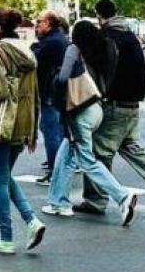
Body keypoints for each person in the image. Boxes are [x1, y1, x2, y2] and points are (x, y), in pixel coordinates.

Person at [77, 0, 145, 222]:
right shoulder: (130, 36)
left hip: (115, 104)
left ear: (99, 16)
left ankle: (96, 200)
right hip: (133, 104)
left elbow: (103, 71)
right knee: (134, 150)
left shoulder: (109, 39)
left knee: (98, 154)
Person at [43, 19, 139, 225]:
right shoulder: (105, 49)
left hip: (79, 112)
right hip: (96, 108)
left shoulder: (73, 50)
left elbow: (62, 79)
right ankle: (58, 201)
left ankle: (123, 196)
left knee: (87, 161)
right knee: (66, 155)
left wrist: (56, 93)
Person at [0, 7, 46, 255]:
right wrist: (33, 129)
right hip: (23, 122)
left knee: (0, 179)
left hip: (1, 123)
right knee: (5, 175)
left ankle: (6, 237)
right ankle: (32, 221)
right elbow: (34, 92)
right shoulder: (27, 51)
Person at [29, 10, 68, 184]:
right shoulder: (58, 39)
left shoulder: (52, 42)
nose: (37, 25)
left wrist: (35, 47)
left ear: (49, 23)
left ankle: (55, 169)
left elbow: (34, 59)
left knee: (51, 131)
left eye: (40, 22)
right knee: (53, 130)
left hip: (49, 93)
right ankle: (59, 167)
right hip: (56, 92)